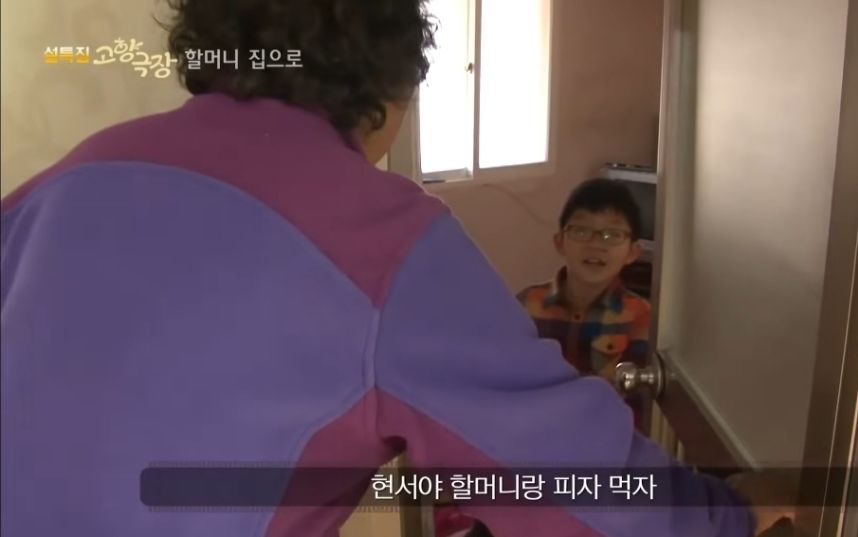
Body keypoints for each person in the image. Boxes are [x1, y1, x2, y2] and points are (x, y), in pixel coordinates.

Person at [0, 0, 789, 535]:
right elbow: (566, 478)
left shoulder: (66, 178)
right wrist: (729, 514)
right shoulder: (385, 236)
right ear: (390, 91)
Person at [517, 178, 651, 428]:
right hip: (533, 434)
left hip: (603, 441)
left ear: (632, 252)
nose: (595, 244)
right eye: (581, 231)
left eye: (612, 234)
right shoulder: (525, 304)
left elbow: (636, 408)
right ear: (560, 242)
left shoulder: (641, 317)